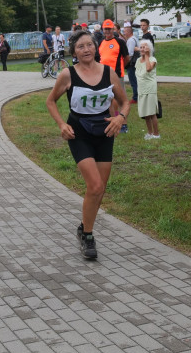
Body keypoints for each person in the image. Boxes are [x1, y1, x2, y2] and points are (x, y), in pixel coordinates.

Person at [45, 30, 130, 261]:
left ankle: (84, 226)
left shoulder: (108, 73)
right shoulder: (67, 74)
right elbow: (50, 101)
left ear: (96, 47)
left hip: (104, 131)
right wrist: (61, 124)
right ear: (74, 52)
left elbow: (124, 102)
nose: (86, 50)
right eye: (80, 47)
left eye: (89, 45)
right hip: (79, 133)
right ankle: (88, 236)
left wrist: (120, 118)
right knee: (94, 186)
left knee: (100, 188)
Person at [135, 39, 160, 139]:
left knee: (151, 112)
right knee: (145, 113)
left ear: (149, 49)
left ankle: (156, 134)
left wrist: (146, 55)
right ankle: (150, 133)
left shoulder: (152, 59)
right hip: (141, 89)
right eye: (140, 47)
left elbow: (148, 69)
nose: (142, 49)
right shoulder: (137, 60)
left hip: (150, 89)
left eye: (144, 47)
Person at [122, 24, 139, 103]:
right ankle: (137, 96)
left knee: (133, 81)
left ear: (129, 32)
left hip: (132, 64)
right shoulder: (134, 38)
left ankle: (135, 97)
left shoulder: (131, 40)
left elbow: (130, 54)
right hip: (134, 63)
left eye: (125, 31)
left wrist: (126, 63)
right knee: (135, 80)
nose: (124, 33)